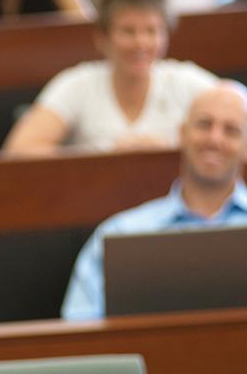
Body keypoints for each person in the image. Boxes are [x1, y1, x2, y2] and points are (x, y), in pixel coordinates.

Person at [61, 81, 247, 320]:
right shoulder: (119, 234)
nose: (214, 139)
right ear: (182, 134)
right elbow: (79, 330)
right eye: (204, 124)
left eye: (231, 130)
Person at [3, 0, 219, 154]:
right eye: (128, 31)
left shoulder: (185, 81)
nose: (140, 43)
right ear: (102, 37)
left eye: (152, 31)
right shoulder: (78, 84)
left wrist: (179, 148)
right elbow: (19, 149)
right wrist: (105, 155)